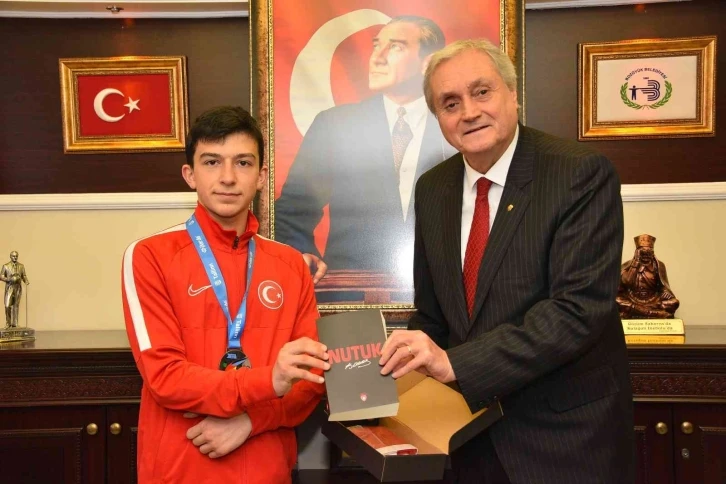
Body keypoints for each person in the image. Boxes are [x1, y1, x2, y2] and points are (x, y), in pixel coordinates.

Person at [379, 40, 635, 483]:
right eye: (450, 103)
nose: (469, 112)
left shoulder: (579, 173)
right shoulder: (433, 189)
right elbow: (433, 315)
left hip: (565, 439)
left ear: (513, 94)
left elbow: (576, 311)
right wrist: (385, 379)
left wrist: (457, 365)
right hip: (469, 438)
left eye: (482, 92)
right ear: (438, 117)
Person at [122, 106, 329, 484]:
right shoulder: (149, 256)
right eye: (212, 162)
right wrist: (269, 382)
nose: (228, 177)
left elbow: (311, 377)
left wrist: (251, 421)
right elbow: (165, 377)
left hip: (268, 470)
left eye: (243, 163)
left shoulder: (290, 264)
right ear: (190, 174)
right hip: (181, 469)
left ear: (262, 176)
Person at [275, 15, 457, 298]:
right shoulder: (335, 125)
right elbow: (292, 208)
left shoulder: (456, 125)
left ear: (428, 62)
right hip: (349, 298)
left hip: (443, 298)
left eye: (395, 47)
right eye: (376, 45)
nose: (377, 58)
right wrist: (301, 255)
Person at [616, 234, 679, 318]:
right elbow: (626, 282)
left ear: (652, 252)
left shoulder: (659, 265)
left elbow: (663, 285)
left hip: (653, 300)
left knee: (674, 302)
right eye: (642, 252)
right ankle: (654, 313)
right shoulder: (628, 265)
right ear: (637, 252)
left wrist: (666, 292)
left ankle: (638, 311)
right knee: (617, 300)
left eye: (649, 252)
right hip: (633, 299)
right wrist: (636, 262)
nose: (646, 255)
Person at [1, 251, 30, 328]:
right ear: (10, 256)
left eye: (16, 256)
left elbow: (24, 275)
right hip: (9, 287)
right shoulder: (6, 266)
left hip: (18, 287)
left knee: (16, 305)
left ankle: (15, 323)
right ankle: (8, 323)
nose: (15, 257)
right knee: (7, 305)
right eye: (13, 256)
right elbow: (1, 276)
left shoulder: (21, 266)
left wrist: (26, 281)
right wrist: (9, 279)